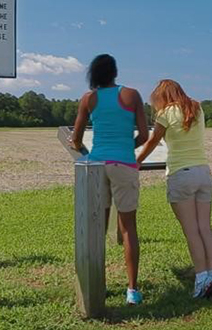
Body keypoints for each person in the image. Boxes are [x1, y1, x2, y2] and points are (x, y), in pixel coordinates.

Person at [70, 54, 149, 305]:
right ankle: (132, 290)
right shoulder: (132, 95)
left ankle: (97, 283)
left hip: (96, 165)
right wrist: (127, 145)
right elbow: (145, 135)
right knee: (128, 229)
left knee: (97, 228)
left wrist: (88, 154)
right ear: (115, 72)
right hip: (124, 164)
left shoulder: (88, 99)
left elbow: (75, 138)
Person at [137, 79, 212, 298]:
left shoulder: (165, 114)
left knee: (191, 230)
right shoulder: (196, 107)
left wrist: (136, 161)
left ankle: (201, 278)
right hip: (203, 172)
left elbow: (152, 141)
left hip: (181, 174)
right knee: (205, 227)